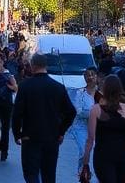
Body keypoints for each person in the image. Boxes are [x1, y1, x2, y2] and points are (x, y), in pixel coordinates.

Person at [12, 53, 77, 183]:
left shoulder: (25, 86)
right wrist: (61, 131)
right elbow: (71, 112)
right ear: (46, 66)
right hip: (52, 137)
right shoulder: (58, 87)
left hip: (30, 136)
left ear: (32, 66)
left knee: (31, 173)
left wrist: (17, 134)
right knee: (49, 174)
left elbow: (17, 113)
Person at [81, 74, 125, 183]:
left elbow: (90, 139)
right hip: (123, 153)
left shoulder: (96, 110)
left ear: (104, 89)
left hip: (103, 154)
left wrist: (85, 161)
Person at [69, 68, 100, 172]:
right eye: (87, 75)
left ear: (97, 76)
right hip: (81, 128)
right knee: (84, 150)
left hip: (97, 129)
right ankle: (83, 174)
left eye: (92, 75)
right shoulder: (79, 93)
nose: (90, 77)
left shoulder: (102, 93)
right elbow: (78, 111)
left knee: (96, 153)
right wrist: (95, 113)